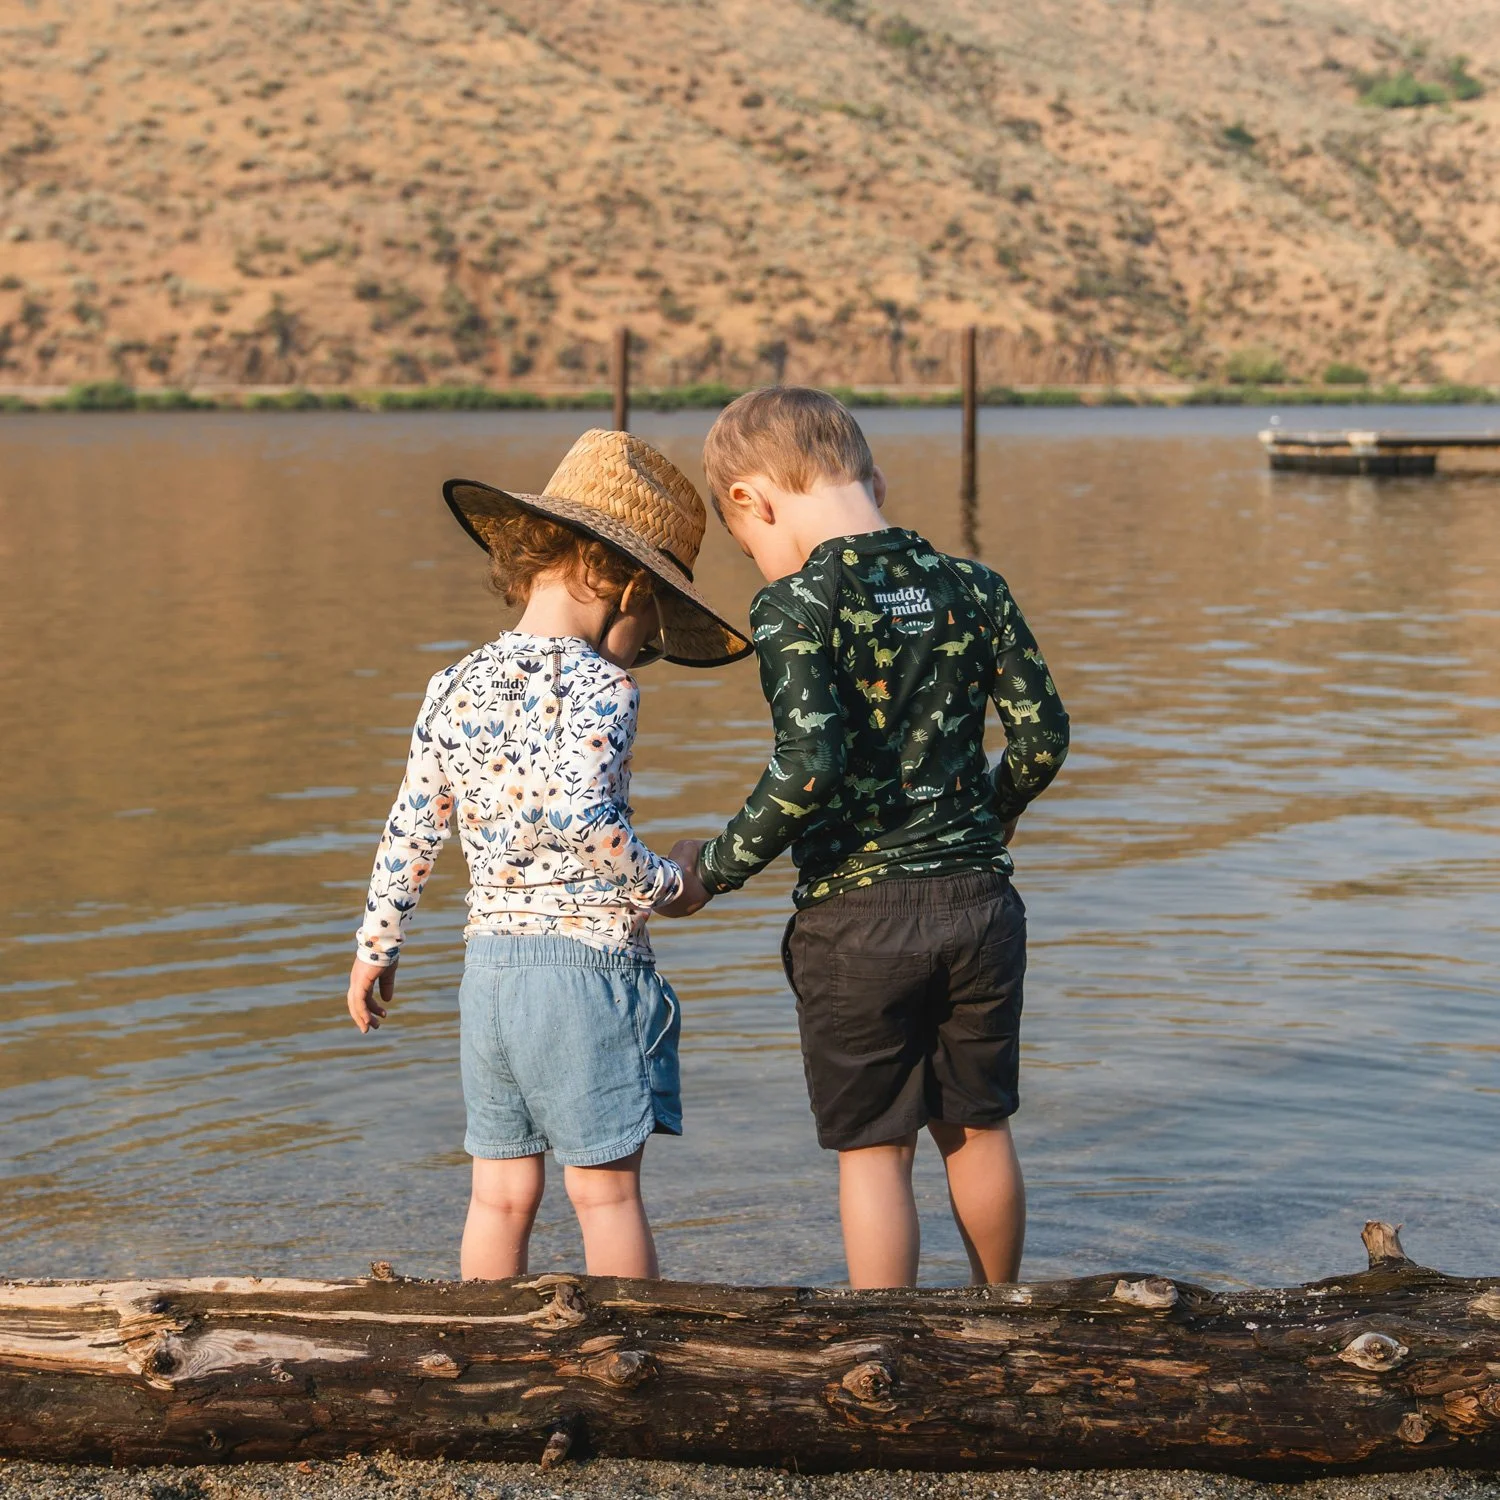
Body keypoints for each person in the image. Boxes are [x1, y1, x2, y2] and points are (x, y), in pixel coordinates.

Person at [669, 387, 1070, 1289]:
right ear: (873, 479)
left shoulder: (793, 607)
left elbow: (809, 765)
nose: (759, 562)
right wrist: (994, 809)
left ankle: (887, 1352)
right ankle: (1006, 1321)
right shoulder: (976, 586)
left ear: (751, 500)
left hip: (858, 923)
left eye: (748, 546)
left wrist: (716, 870)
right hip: (979, 907)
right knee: (977, 1127)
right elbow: (1043, 737)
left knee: (875, 1151)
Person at [345, 429, 750, 1281]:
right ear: (628, 585)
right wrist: (671, 884)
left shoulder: (452, 682)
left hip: (489, 977)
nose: (646, 646)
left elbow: (411, 826)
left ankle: (482, 1361)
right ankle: (639, 1364)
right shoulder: (603, 686)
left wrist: (375, 949)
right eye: (654, 621)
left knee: (497, 1197)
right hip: (585, 975)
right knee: (604, 1197)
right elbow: (582, 814)